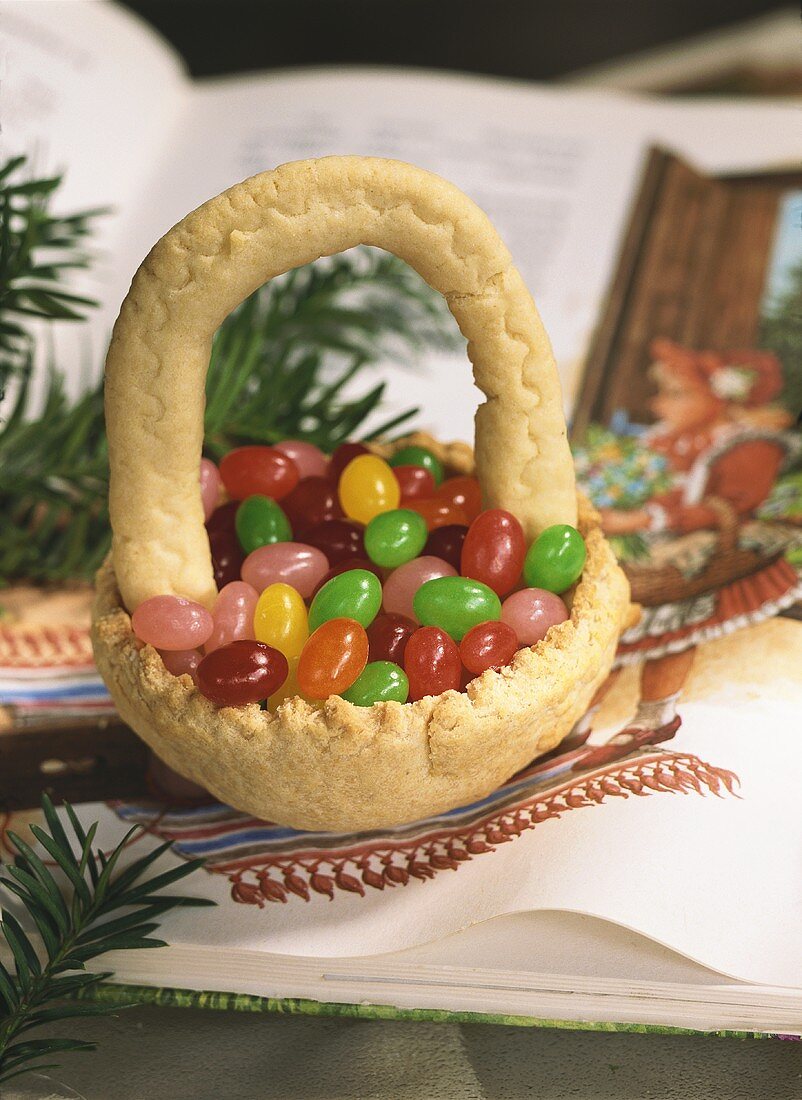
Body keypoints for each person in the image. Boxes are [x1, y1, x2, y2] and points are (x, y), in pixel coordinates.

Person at [577, 338, 799, 767]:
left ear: (718, 398)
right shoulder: (664, 441)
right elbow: (634, 484)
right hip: (651, 554)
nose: (661, 406)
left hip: (699, 556)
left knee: (673, 629)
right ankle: (576, 723)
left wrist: (646, 520)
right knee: (620, 633)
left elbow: (730, 505)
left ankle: (653, 715)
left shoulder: (743, 445)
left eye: (678, 394)